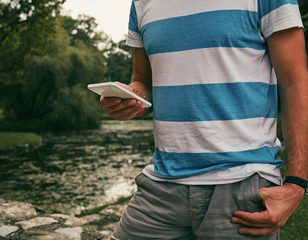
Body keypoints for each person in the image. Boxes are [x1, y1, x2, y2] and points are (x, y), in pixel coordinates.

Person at [100, 0, 308, 239]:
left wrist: (296, 184)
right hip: (162, 186)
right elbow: (143, 81)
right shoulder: (141, 4)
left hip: (242, 184)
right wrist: (130, 101)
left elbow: (295, 83)